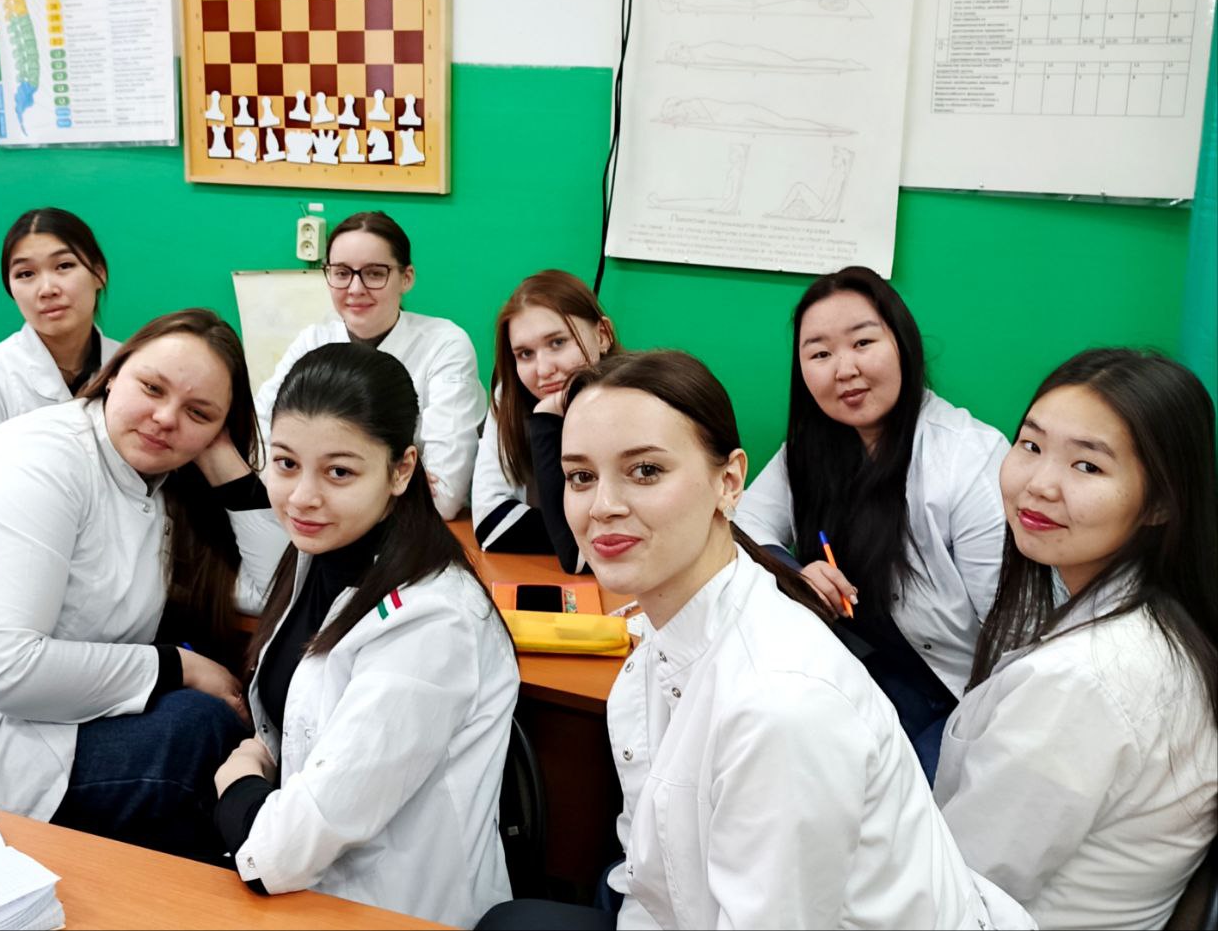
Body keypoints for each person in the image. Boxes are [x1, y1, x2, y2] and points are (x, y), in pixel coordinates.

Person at [476, 350, 1030, 929]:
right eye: (581, 477)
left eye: (646, 471)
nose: (603, 507)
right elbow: (651, 886)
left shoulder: (779, 704)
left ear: (730, 481)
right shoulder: (656, 651)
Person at [0, 309, 286, 861]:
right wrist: (178, 666)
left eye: (198, 412)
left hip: (53, 714)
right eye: (152, 388)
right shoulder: (39, 464)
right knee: (200, 731)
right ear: (114, 371)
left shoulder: (156, 477)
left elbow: (272, 595)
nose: (165, 418)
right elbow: (8, 672)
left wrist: (223, 462)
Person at [214, 343, 518, 927]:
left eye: (339, 472)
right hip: (301, 885)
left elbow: (282, 852)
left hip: (385, 907)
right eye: (285, 463)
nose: (303, 497)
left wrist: (240, 783)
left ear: (401, 470)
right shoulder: (320, 552)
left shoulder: (433, 621)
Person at [935, 348, 1218, 930]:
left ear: (1161, 502)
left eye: (1087, 466)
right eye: (1031, 445)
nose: (1039, 484)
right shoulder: (1157, 618)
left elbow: (959, 891)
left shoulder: (1080, 682)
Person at [736, 266, 1008, 780]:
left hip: (952, 695)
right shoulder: (810, 447)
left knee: (897, 805)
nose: (844, 369)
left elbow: (1011, 632)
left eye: (863, 342)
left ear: (902, 344)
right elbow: (745, 524)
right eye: (820, 354)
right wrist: (795, 572)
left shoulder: (968, 458)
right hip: (852, 669)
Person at [253, 211, 485, 520]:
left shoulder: (444, 344)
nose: (355, 288)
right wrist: (389, 483)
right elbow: (258, 440)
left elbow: (444, 496)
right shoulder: (312, 342)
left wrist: (316, 481)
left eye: (375, 273)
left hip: (412, 532)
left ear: (407, 278)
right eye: (341, 272)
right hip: (320, 521)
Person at [0, 208, 120, 469]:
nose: (47, 289)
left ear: (99, 274)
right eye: (25, 274)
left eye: (64, 266)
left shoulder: (130, 368)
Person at [472, 270, 618, 572]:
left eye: (557, 342)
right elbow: (491, 525)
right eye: (525, 354)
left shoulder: (634, 402)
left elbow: (577, 556)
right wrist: (547, 415)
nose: (543, 370)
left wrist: (546, 418)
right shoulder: (510, 396)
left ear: (602, 335)